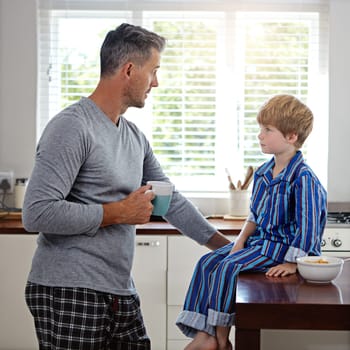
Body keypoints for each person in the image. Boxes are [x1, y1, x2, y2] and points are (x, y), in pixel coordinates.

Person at [22, 23, 230, 350]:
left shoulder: (133, 137)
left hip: (119, 290)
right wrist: (117, 212)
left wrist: (228, 249)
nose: (157, 82)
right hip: (68, 289)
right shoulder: (72, 127)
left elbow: (168, 199)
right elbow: (36, 213)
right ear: (130, 70)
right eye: (154, 71)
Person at [176, 94, 327, 350]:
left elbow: (309, 226)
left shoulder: (303, 178)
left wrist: (292, 263)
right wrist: (241, 241)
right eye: (261, 129)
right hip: (259, 243)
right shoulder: (264, 173)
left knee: (227, 268)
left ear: (291, 137)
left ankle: (222, 341)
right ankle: (204, 333)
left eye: (267, 130)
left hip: (281, 250)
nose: (260, 135)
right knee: (207, 262)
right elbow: (255, 215)